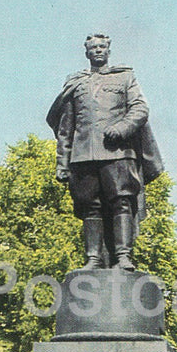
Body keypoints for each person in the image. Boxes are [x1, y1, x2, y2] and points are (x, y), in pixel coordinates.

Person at [46, 34, 163, 270]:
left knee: (122, 202)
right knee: (91, 206)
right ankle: (93, 259)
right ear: (87, 53)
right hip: (83, 156)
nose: (98, 50)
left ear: (108, 51)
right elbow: (66, 128)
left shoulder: (125, 77)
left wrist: (122, 127)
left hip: (118, 153)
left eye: (102, 47)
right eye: (93, 48)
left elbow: (140, 108)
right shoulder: (76, 83)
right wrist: (62, 163)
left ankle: (123, 256)